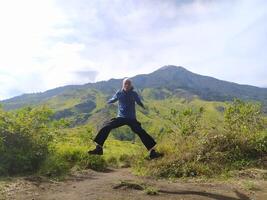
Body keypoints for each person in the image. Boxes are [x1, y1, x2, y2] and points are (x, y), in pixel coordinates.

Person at [88, 78, 163, 159]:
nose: (127, 85)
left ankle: (153, 152)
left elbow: (138, 101)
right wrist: (107, 102)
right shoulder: (119, 93)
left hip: (131, 119)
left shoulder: (134, 94)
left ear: (131, 85)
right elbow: (113, 100)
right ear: (123, 85)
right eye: (125, 84)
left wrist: (144, 106)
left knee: (141, 131)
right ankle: (99, 148)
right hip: (121, 117)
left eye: (128, 84)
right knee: (106, 126)